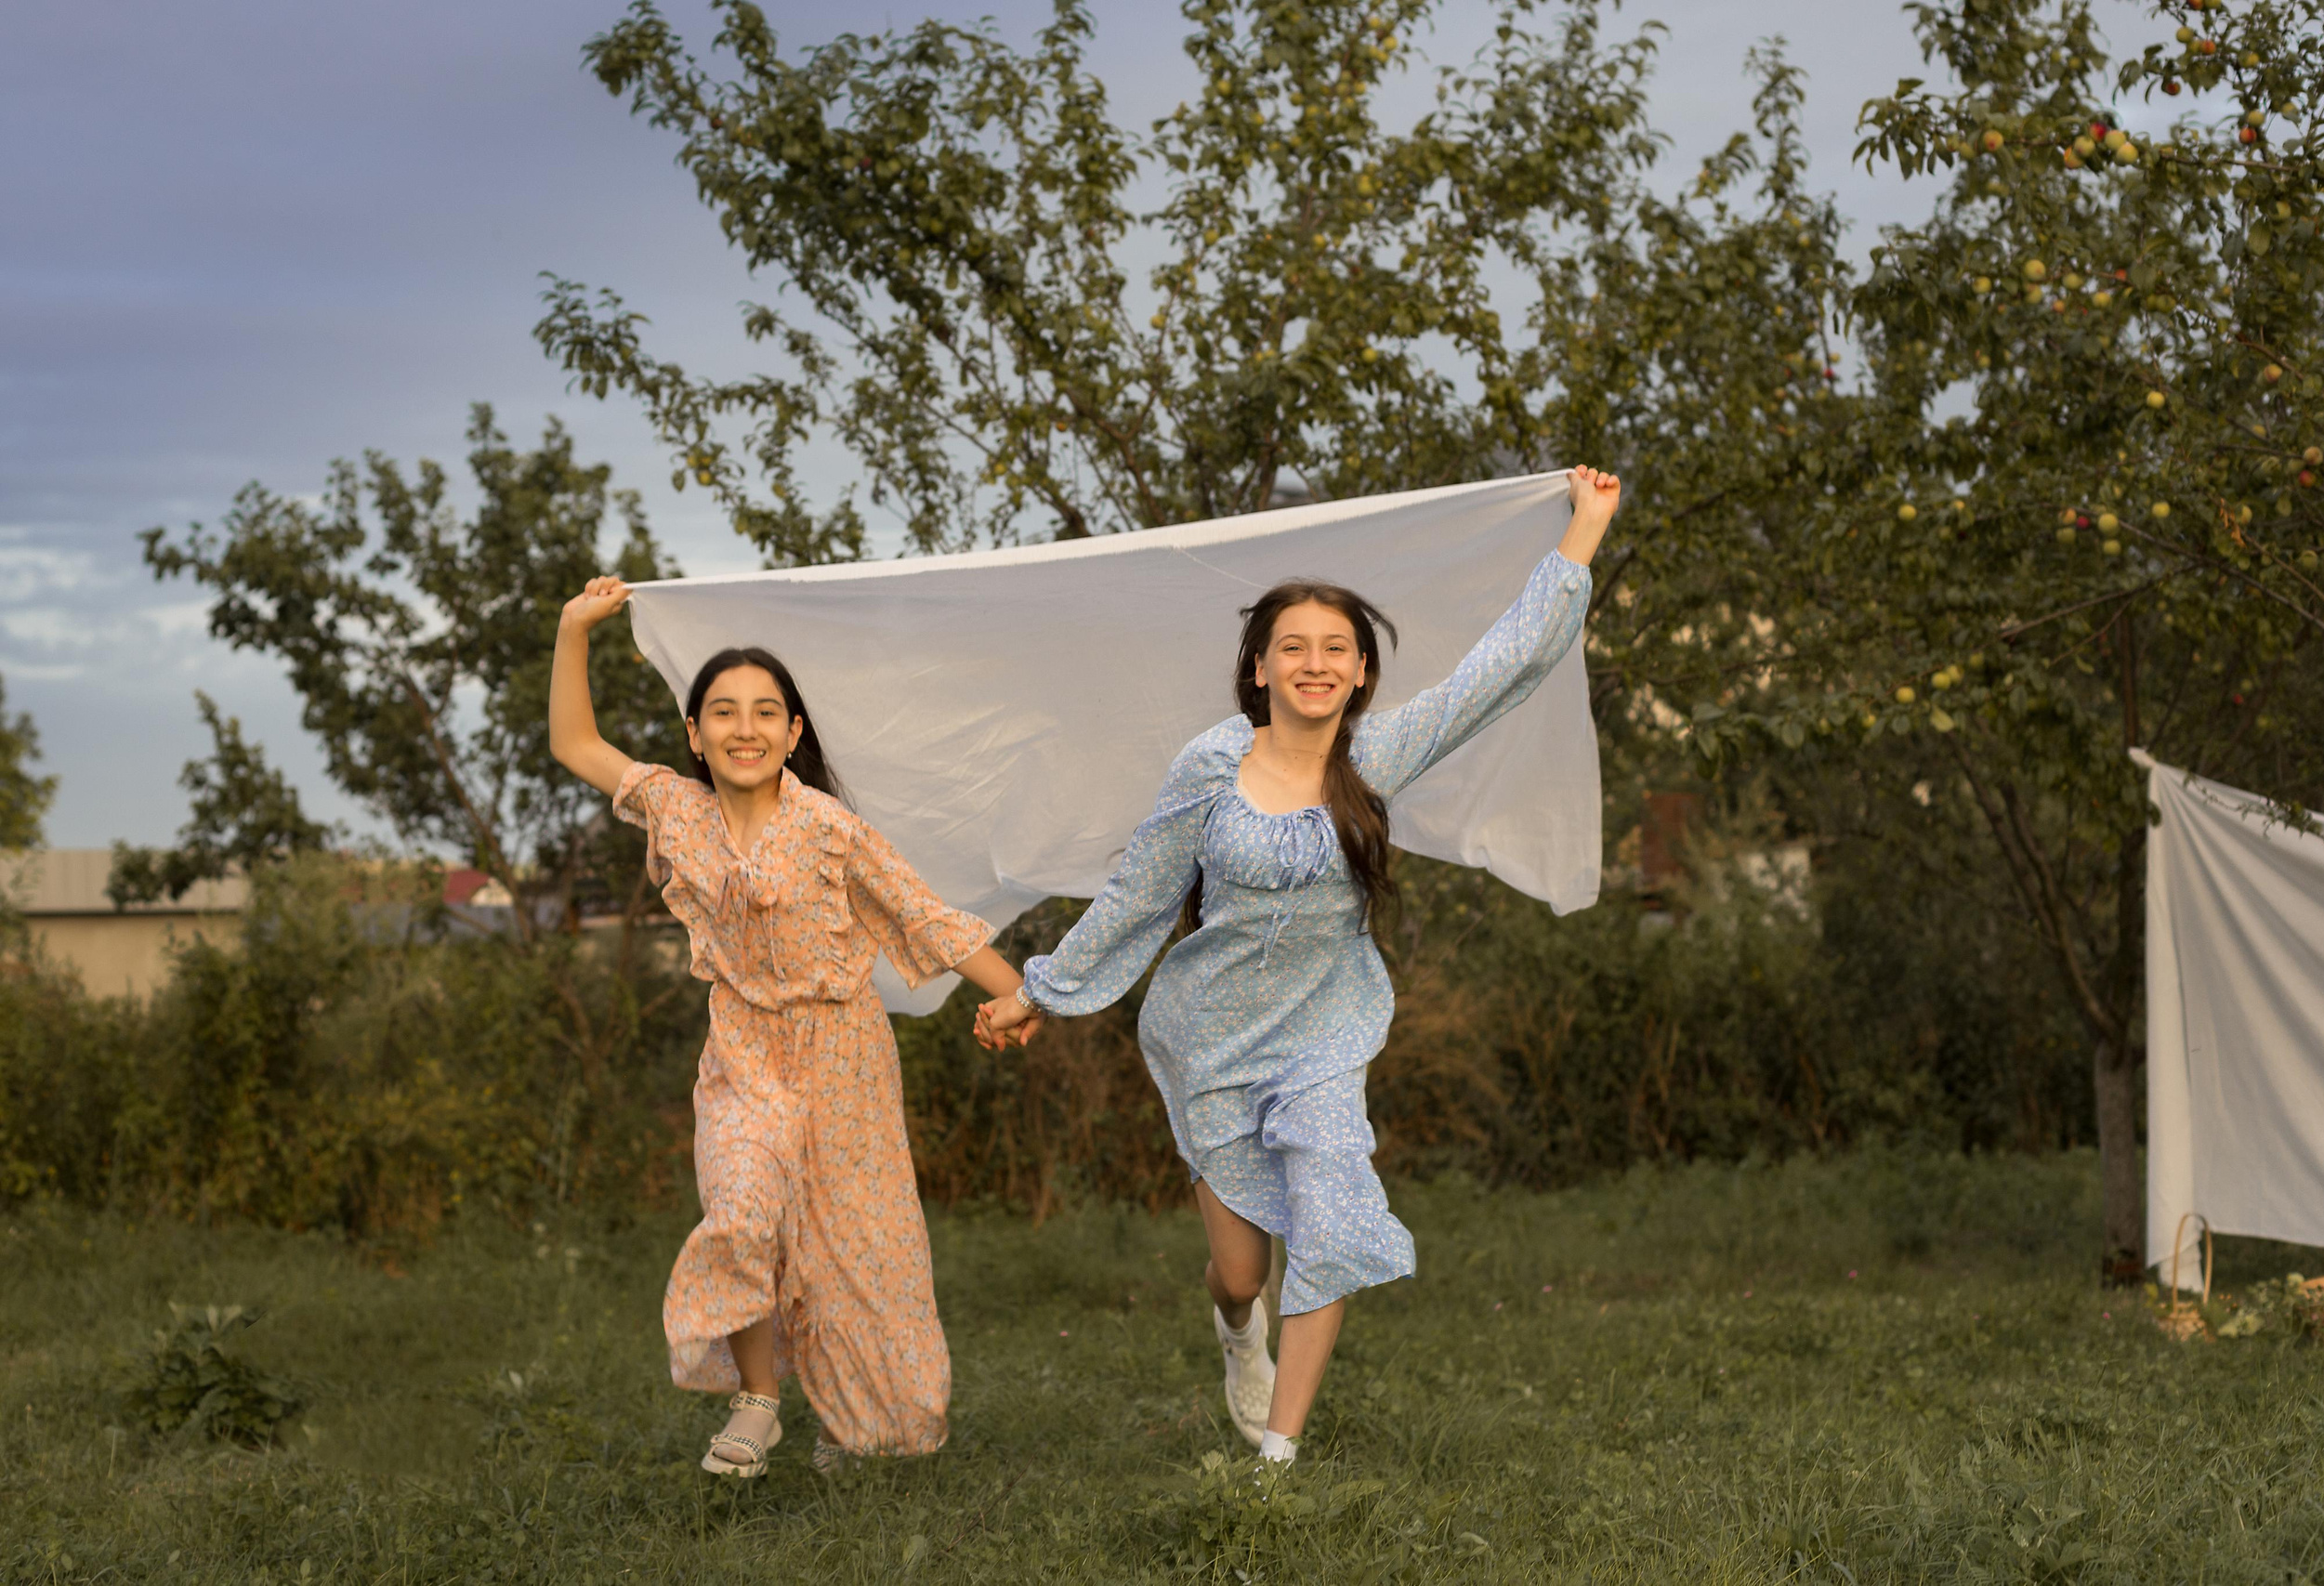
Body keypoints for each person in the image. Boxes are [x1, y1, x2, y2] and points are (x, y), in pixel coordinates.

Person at [978, 465, 1621, 1465]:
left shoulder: (1380, 756)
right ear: (1260, 668)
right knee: (1241, 1273)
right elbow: (1140, 892)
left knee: (1330, 1215)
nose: (1314, 664)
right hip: (1211, 1038)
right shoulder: (1209, 766)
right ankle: (1239, 1329)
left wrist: (1583, 530)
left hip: (1324, 1030)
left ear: (1361, 672)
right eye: (1294, 648)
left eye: (1335, 649)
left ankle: (1277, 1463)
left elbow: (1504, 667)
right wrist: (1038, 991)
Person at [548, 576, 1044, 1479]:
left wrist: (1017, 993)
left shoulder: (829, 828)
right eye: (724, 712)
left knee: (861, 1256)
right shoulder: (676, 810)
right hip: (742, 1055)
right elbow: (575, 743)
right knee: (741, 1211)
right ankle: (758, 1400)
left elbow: (923, 914)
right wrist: (574, 627)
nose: (745, 729)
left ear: (792, 732)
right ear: (694, 734)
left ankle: (864, 1426)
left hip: (845, 1060)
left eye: (765, 712)